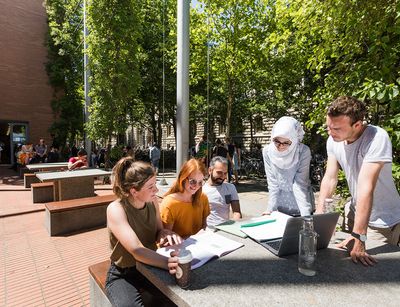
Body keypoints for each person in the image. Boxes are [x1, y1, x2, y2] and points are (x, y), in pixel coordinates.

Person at [316, 96, 400, 266]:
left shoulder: (377, 137)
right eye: (328, 127)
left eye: (337, 129)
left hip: (381, 220)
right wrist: (319, 215)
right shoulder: (333, 140)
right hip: (355, 212)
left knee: (369, 273)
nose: (331, 133)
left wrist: (359, 236)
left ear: (357, 125)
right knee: (344, 266)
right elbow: (330, 178)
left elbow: (366, 186)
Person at [106, 157, 182, 306]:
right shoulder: (116, 209)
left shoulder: (152, 201)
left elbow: (159, 230)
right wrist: (168, 263)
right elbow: (136, 250)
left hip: (151, 267)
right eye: (151, 186)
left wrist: (164, 234)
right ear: (134, 191)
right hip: (124, 274)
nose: (157, 190)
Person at [262, 116, 314, 217]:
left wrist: (306, 217)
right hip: (280, 206)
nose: (280, 146)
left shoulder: (303, 151)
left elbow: (300, 184)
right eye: (276, 141)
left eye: (286, 143)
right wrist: (270, 209)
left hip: (302, 205)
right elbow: (272, 183)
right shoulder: (267, 151)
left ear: (294, 140)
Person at [160, 158, 210, 238]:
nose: (196, 186)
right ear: (183, 178)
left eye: (200, 182)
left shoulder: (203, 198)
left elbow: (204, 225)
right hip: (178, 248)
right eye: (192, 181)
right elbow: (166, 237)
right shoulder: (169, 203)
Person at [203, 156, 242, 227]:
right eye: (219, 173)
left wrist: (233, 227)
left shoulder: (230, 188)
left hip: (226, 229)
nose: (223, 177)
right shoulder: (201, 190)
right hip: (208, 230)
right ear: (210, 170)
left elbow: (237, 213)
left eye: (225, 173)